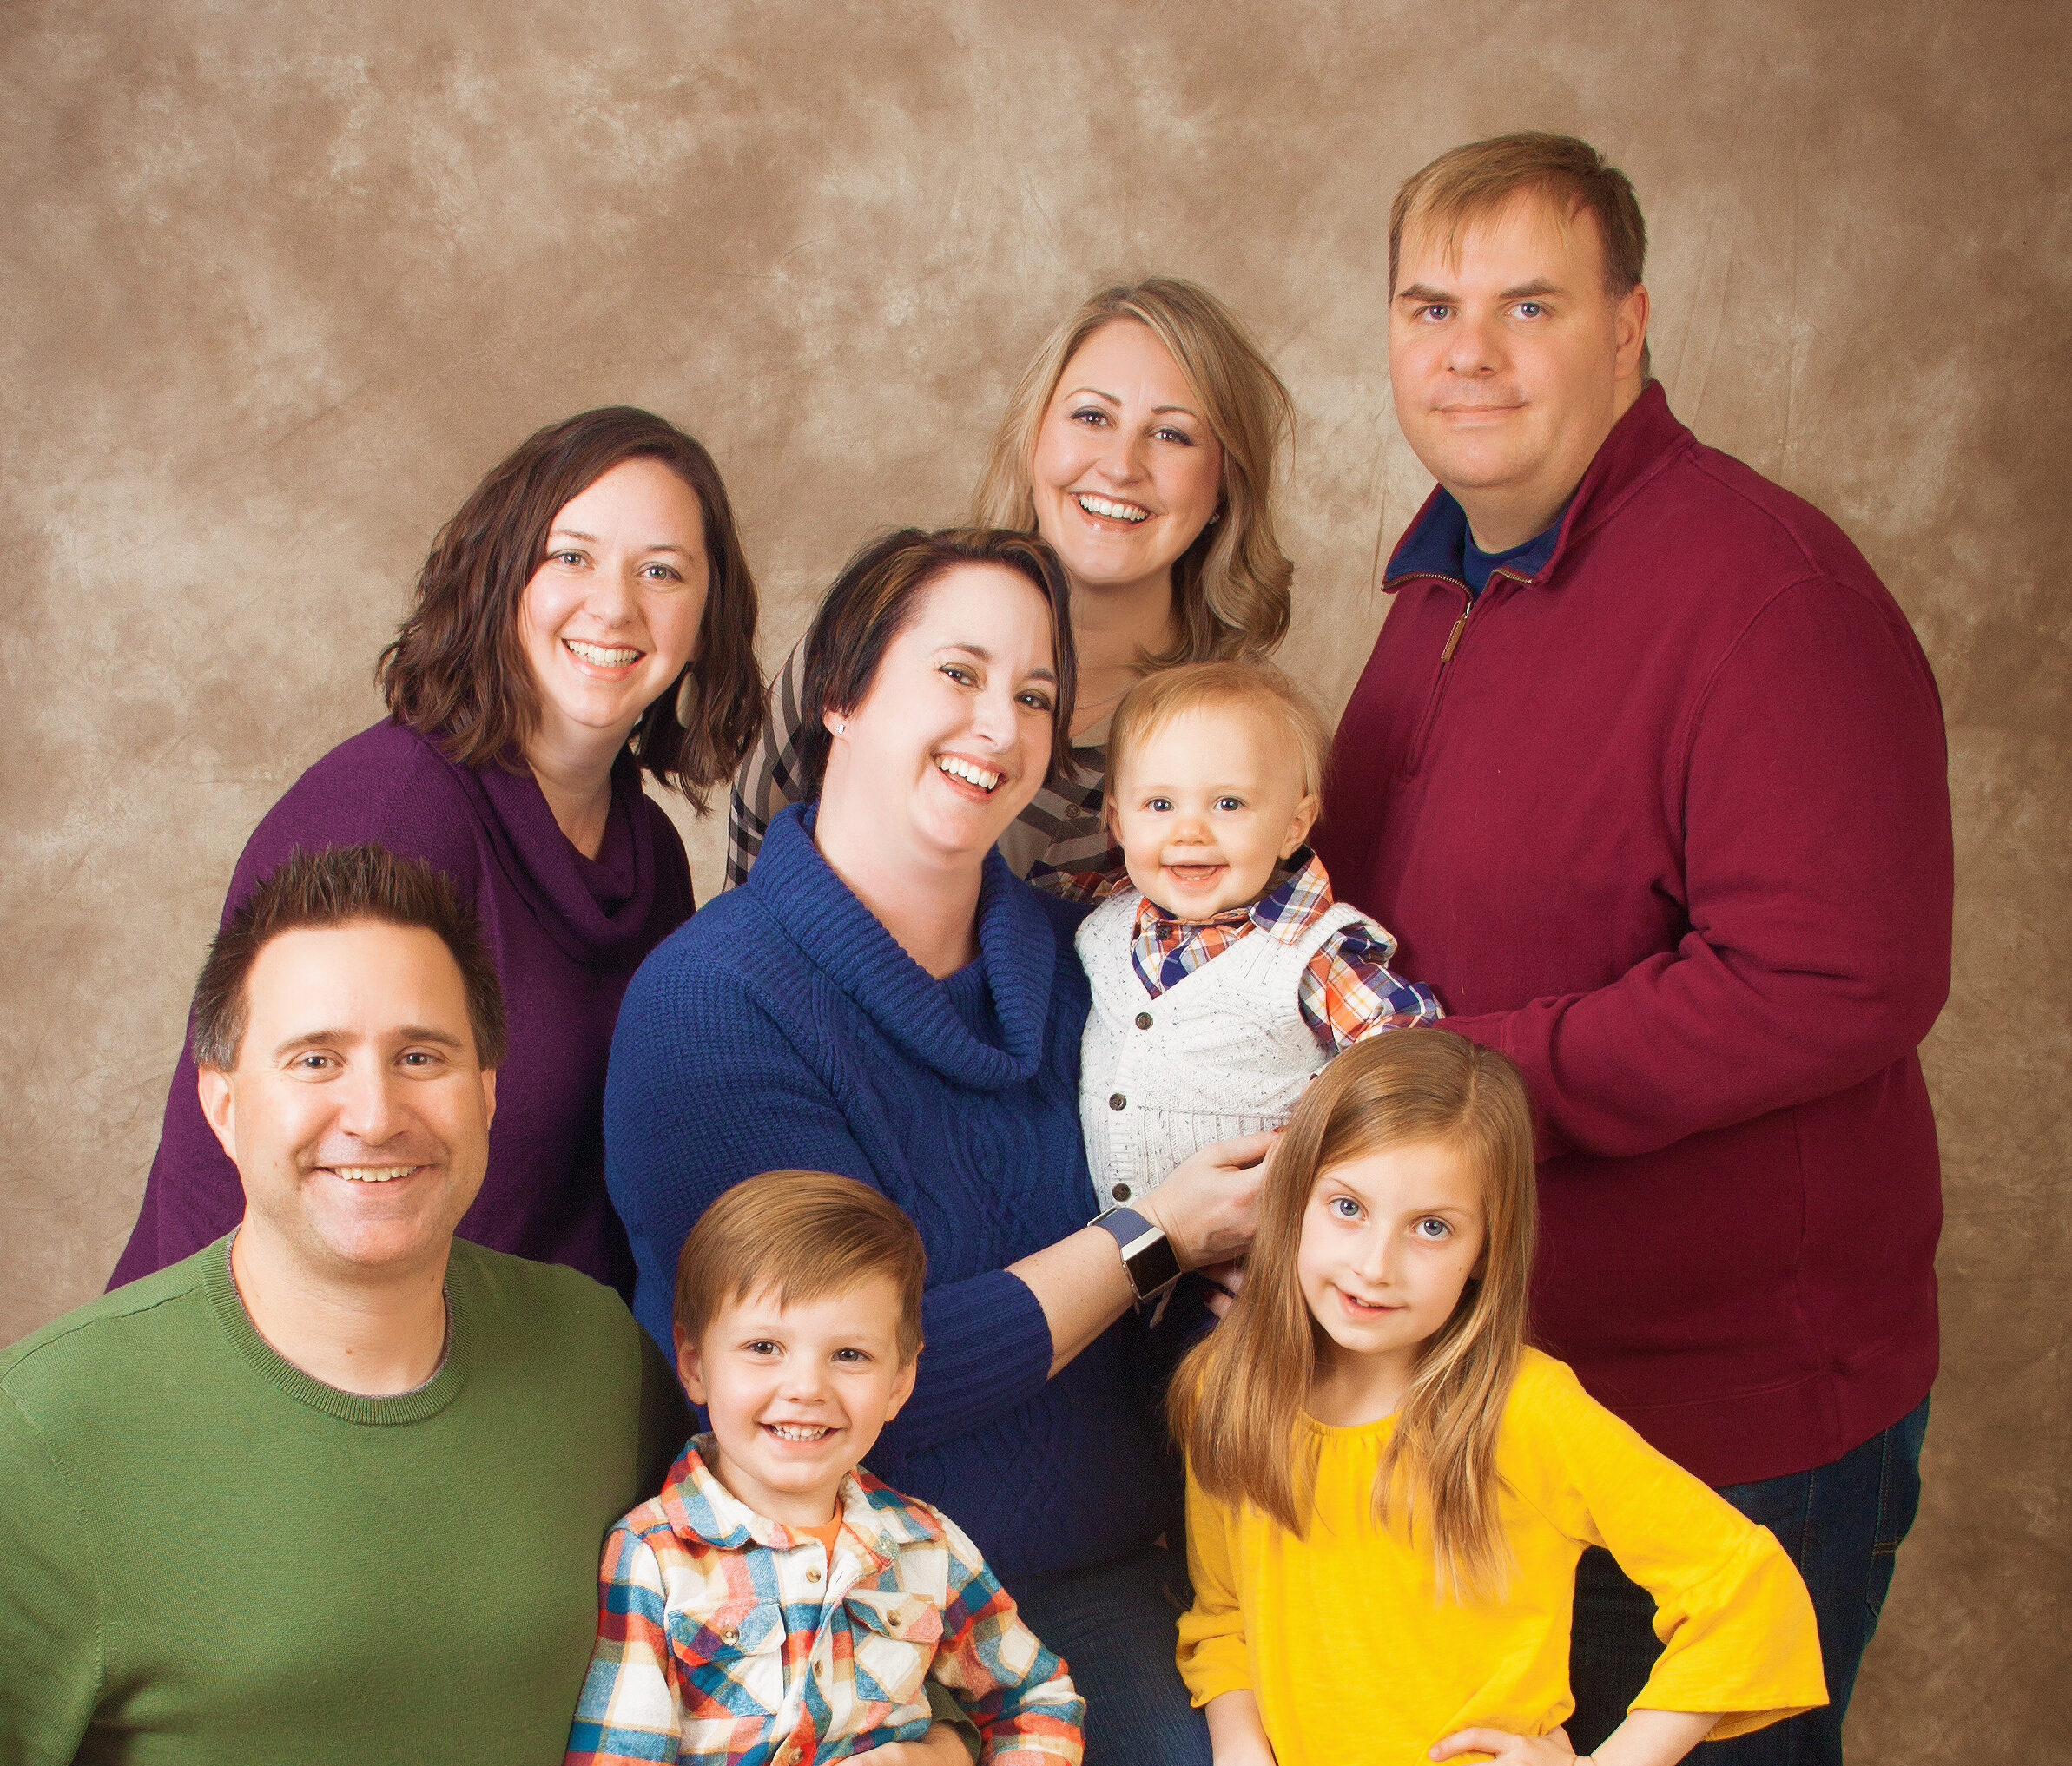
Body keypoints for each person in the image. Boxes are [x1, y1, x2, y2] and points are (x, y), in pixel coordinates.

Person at [1315, 133, 1952, 1766]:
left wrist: (1465, 1079)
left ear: (1629, 328)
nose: (1471, 352)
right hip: (1493, 1409)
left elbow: (1837, 975)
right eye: (1432, 306)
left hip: (1722, 1423)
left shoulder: (1758, 588)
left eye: (1529, 304)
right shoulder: (1439, 585)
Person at [605, 528, 1296, 1766]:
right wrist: (1153, 1237)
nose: (998, 725)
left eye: (1034, 694)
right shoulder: (711, 1005)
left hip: (1099, 1569)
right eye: (957, 674)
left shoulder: (1083, 956)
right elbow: (863, 1377)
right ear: (843, 695)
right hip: (847, 1593)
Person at [0, 844, 696, 1766]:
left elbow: (781, 1576)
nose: (374, 1112)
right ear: (223, 1102)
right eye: (314, 1058)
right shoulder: (53, 1427)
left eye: (421, 1055)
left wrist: (942, 1760)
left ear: (488, 1090)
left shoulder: (593, 1363)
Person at [1173, 1031, 1828, 1766]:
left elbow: (1746, 1589)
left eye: (1431, 1227)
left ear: (1486, 1247)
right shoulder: (1228, 1395)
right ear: (1290, 1200)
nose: (1375, 1264)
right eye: (1347, 1207)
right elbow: (1224, 1621)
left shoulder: (1526, 1411)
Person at [110, 405, 764, 1299]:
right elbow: (233, 1155)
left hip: (535, 1357)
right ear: (500, 578)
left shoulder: (647, 851)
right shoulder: (389, 811)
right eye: (570, 557)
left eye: (662, 571)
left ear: (707, 614)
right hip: (314, 1357)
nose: (615, 605)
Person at [516, 1170, 1085, 1766]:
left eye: (849, 1355)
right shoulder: (656, 1557)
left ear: (901, 1378)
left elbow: (1035, 1693)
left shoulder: (923, 1548)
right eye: (764, 1348)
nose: (806, 1388)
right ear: (695, 1364)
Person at [724, 278, 1294, 889]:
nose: (1121, 467)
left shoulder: (1243, 735)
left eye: (1172, 434)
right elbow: (747, 880)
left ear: (1225, 483)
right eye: (1092, 417)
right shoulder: (882, 624)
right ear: (1033, 439)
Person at [1069, 659, 1440, 1208]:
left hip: (1257, 1237)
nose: (1190, 831)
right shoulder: (1102, 920)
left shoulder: (1309, 954)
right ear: (1119, 823)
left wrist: (1310, 1138)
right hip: (1110, 1237)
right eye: (1160, 804)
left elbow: (1408, 1045)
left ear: (1293, 825)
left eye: (1229, 804)